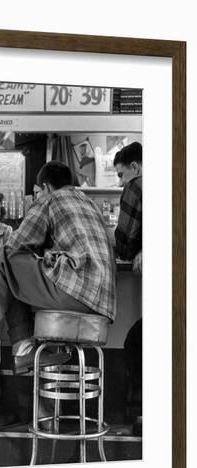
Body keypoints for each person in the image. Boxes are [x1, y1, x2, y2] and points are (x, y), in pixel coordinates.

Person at [0, 160, 117, 429]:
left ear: (45, 187)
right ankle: (24, 348)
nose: (38, 196)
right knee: (14, 276)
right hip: (101, 306)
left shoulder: (51, 199)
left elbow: (14, 247)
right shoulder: (90, 204)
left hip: (72, 291)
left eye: (38, 192)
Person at [113, 141, 143, 434]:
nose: (120, 182)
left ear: (134, 167)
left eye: (121, 174)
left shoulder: (136, 187)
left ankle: (145, 414)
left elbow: (123, 242)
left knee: (136, 342)